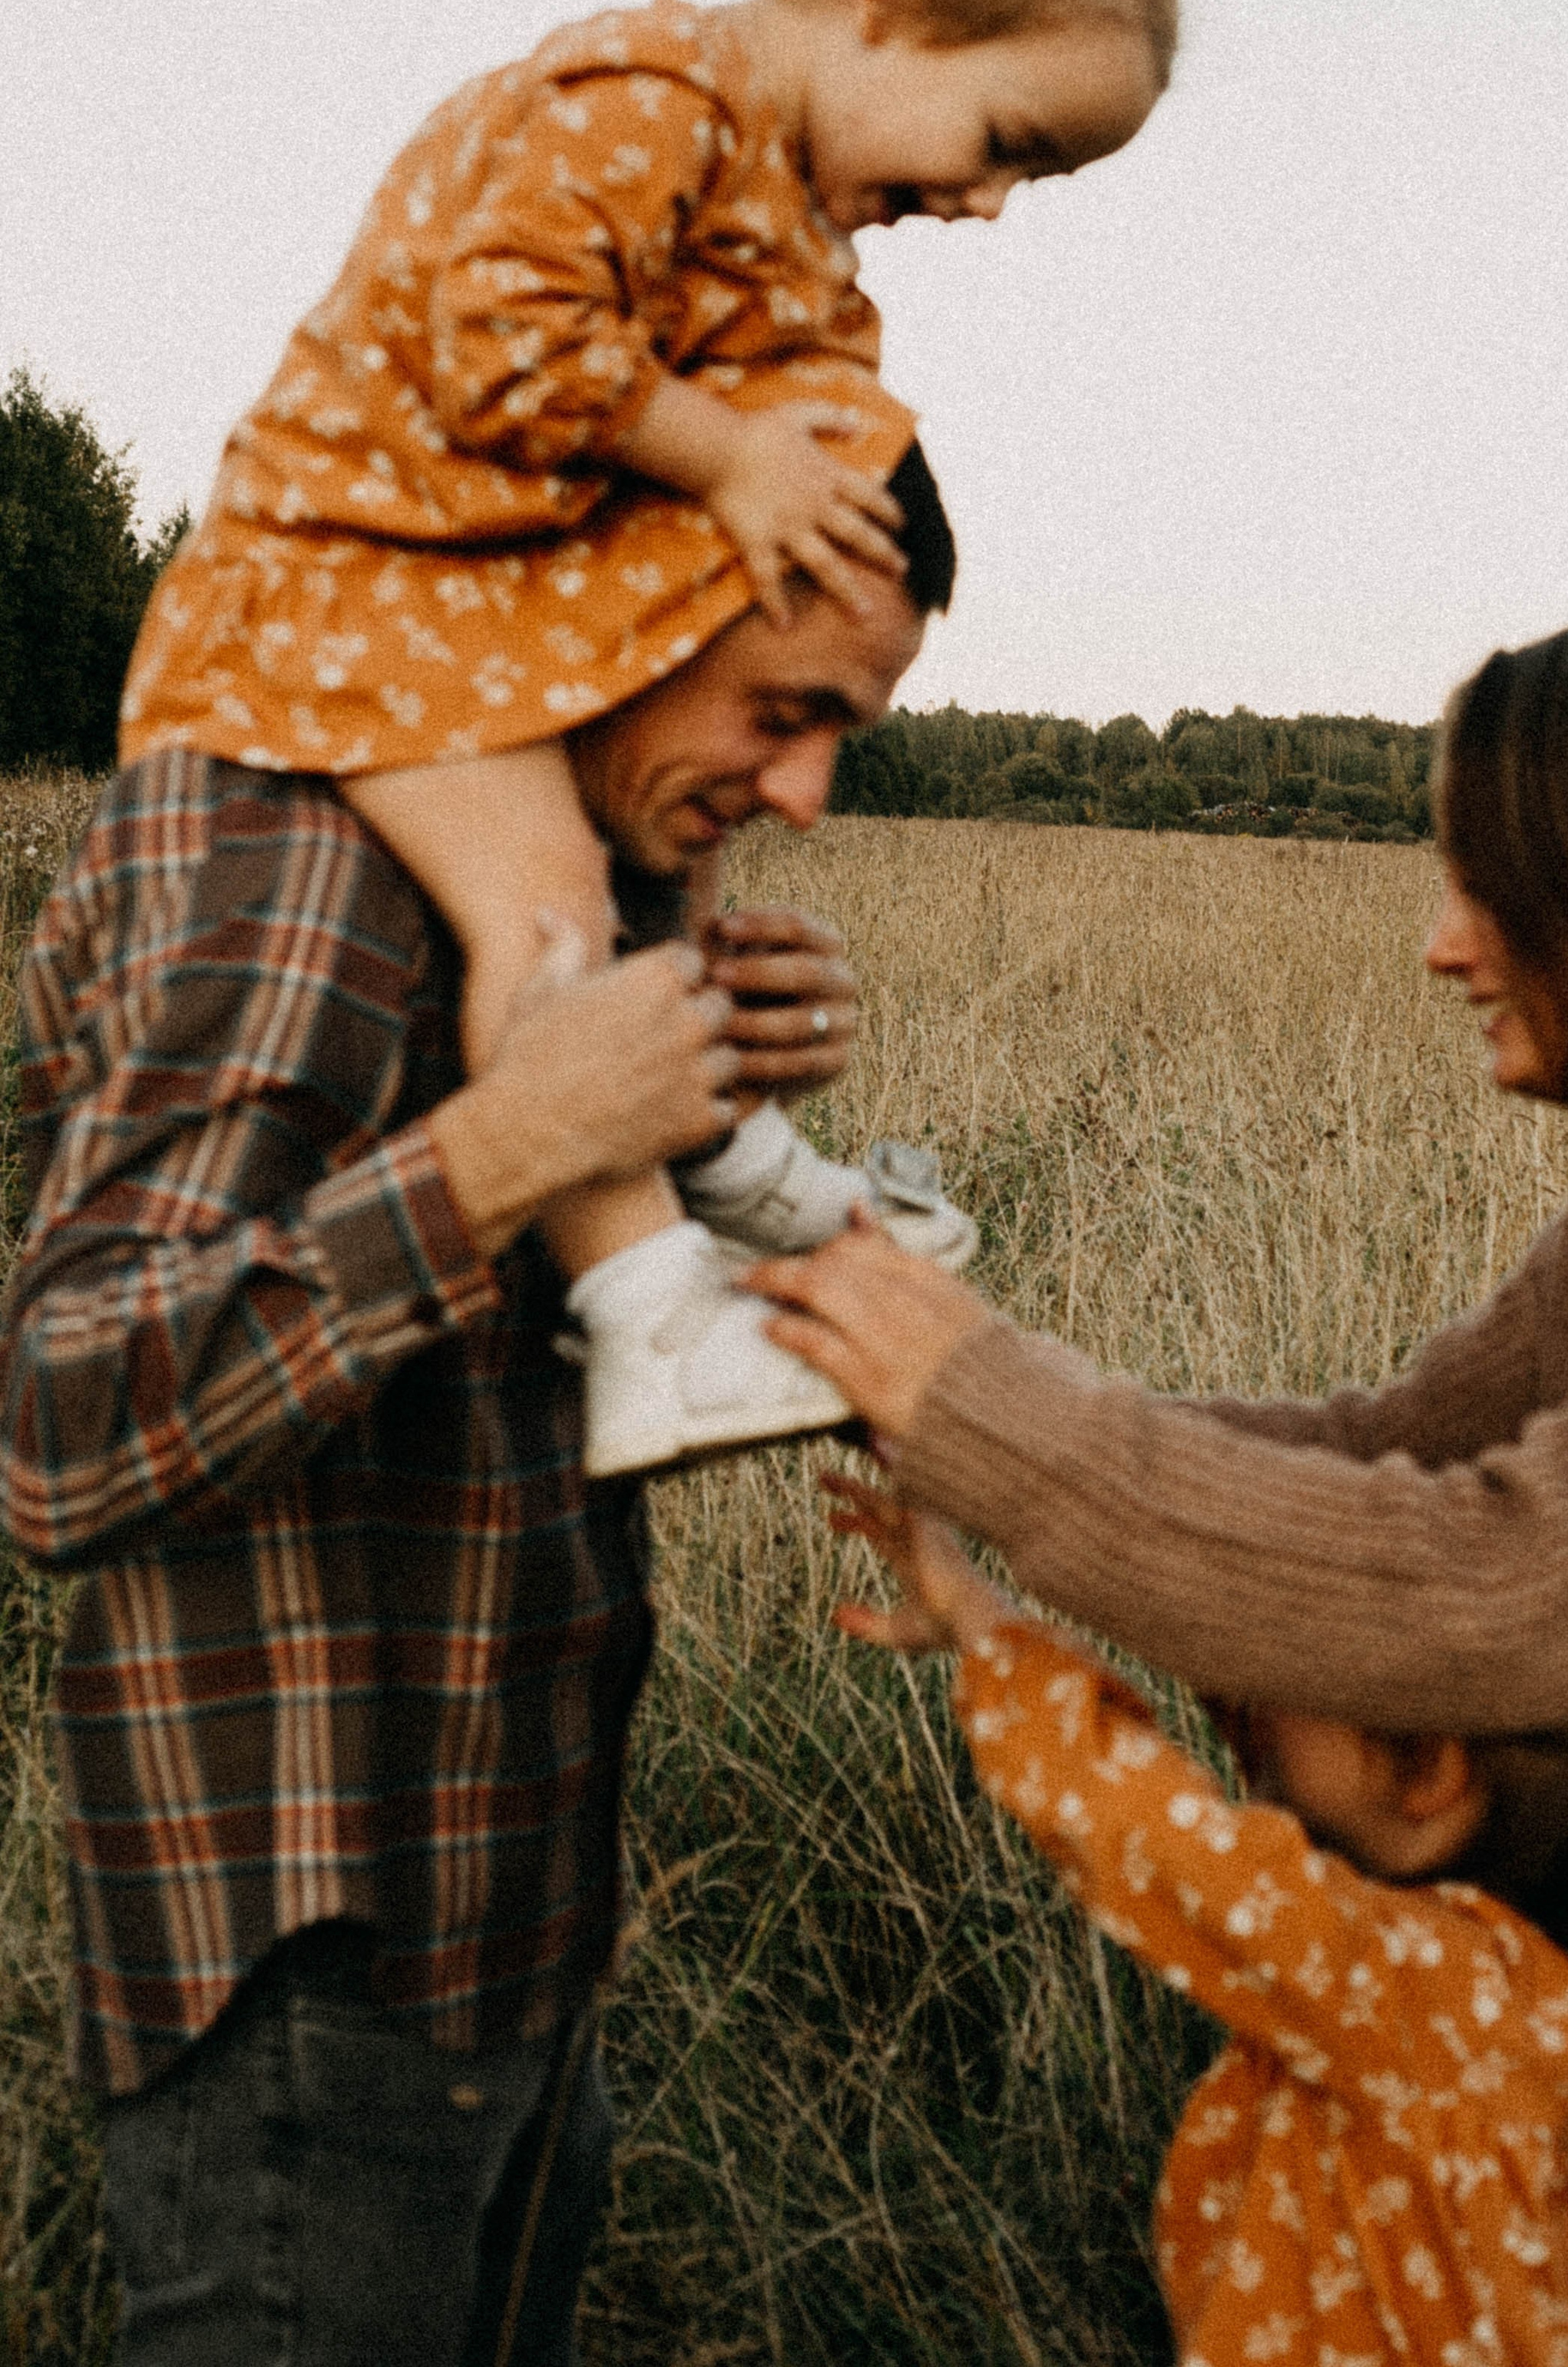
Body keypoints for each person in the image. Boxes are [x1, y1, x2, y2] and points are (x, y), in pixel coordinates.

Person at [753, 595, 1568, 2367]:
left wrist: (985, 1409)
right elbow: (1392, 1449)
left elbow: (1517, 1588)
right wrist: (925, 1396)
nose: (1438, 946)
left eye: (1486, 886)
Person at [117, 0, 1225, 1425]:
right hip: (339, 590)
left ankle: (728, 1157)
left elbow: (831, 431)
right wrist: (725, 459)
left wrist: (727, 997)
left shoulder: (793, 230)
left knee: (654, 861)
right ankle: (646, 1308)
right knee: (548, 911)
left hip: (469, 588)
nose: (993, 204)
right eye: (1005, 142)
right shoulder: (651, 102)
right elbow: (495, 332)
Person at [0, 476, 948, 2367]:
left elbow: (563, 1359)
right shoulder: (278, 853)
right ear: (616, 608)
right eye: (781, 712)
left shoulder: (559, 889)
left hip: (510, 1918)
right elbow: (58, 1435)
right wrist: (508, 1146)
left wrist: (699, 1122)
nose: (806, 794)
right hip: (307, 1967)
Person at [825, 1468, 1568, 2367]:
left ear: (1428, 1768)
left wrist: (983, 1621)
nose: (1262, 1685)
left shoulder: (1430, 1989)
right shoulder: (1487, 1991)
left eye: (1306, 1661)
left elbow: (1158, 1841)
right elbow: (1270, 1778)